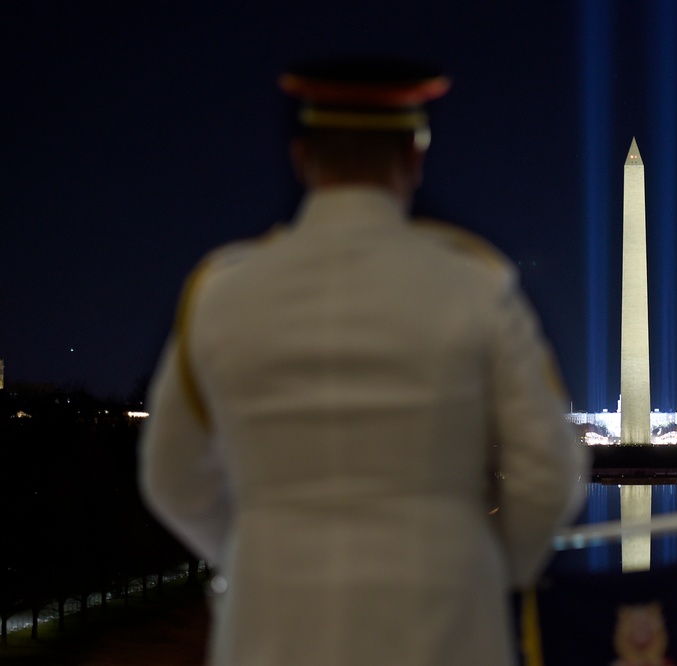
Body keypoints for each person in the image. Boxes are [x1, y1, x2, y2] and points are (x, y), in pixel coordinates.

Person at [138, 56, 588, 666]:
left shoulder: (220, 294)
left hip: (269, 628)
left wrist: (260, 550)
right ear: (414, 157)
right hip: (447, 628)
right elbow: (549, 474)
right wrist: (479, 567)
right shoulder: (476, 288)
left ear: (301, 158)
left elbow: (172, 478)